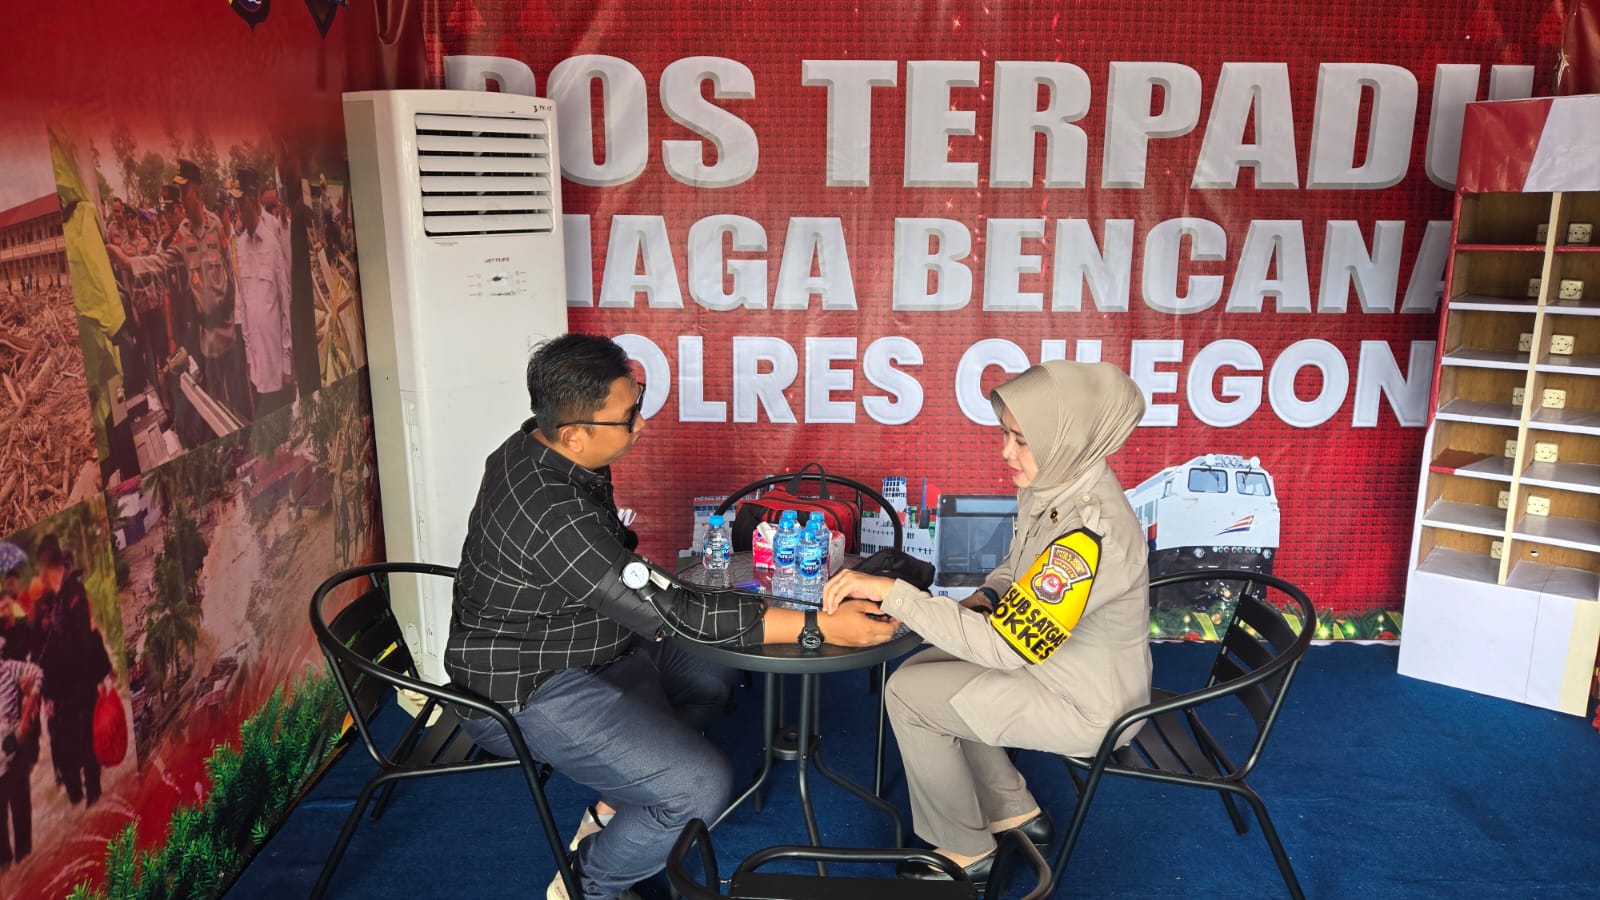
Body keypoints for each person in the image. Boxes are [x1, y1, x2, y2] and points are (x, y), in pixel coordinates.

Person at [446, 333, 899, 900]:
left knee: (711, 669)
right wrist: (818, 627)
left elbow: (650, 595)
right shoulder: (551, 511)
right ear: (574, 433)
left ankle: (618, 803)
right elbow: (674, 611)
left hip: (587, 638)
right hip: (530, 683)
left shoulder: (540, 447)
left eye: (637, 405)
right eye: (627, 417)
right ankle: (586, 886)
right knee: (699, 787)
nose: (641, 425)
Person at [821, 360, 1153, 886]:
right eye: (1005, 434)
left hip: (1089, 706)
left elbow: (1005, 647)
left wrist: (894, 595)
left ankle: (967, 851)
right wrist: (986, 597)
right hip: (1056, 668)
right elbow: (1016, 567)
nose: (1006, 452)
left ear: (1063, 440)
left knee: (910, 696)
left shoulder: (1087, 537)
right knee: (923, 670)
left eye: (1021, 440)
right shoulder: (1057, 482)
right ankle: (1015, 812)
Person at [32, 535, 115, 807]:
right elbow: (40, 652)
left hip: (80, 685)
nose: (38, 577)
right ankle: (78, 799)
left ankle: (94, 799)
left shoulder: (74, 594)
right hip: (60, 692)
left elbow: (86, 638)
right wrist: (46, 694)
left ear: (48, 569)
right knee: (66, 752)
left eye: (40, 570)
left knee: (89, 745)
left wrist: (103, 671)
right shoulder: (46, 604)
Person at [231, 167, 295, 414]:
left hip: (275, 356)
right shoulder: (240, 246)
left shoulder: (271, 243)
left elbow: (285, 304)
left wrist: (287, 361)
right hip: (257, 357)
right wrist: (249, 357)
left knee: (282, 418)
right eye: (236, 206)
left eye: (241, 205)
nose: (238, 212)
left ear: (251, 201)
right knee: (266, 419)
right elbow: (243, 303)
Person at [0, 650, 43, 867]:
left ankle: (26, 868)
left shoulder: (9, 669)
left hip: (14, 753)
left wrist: (26, 715)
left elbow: (37, 673)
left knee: (21, 812)